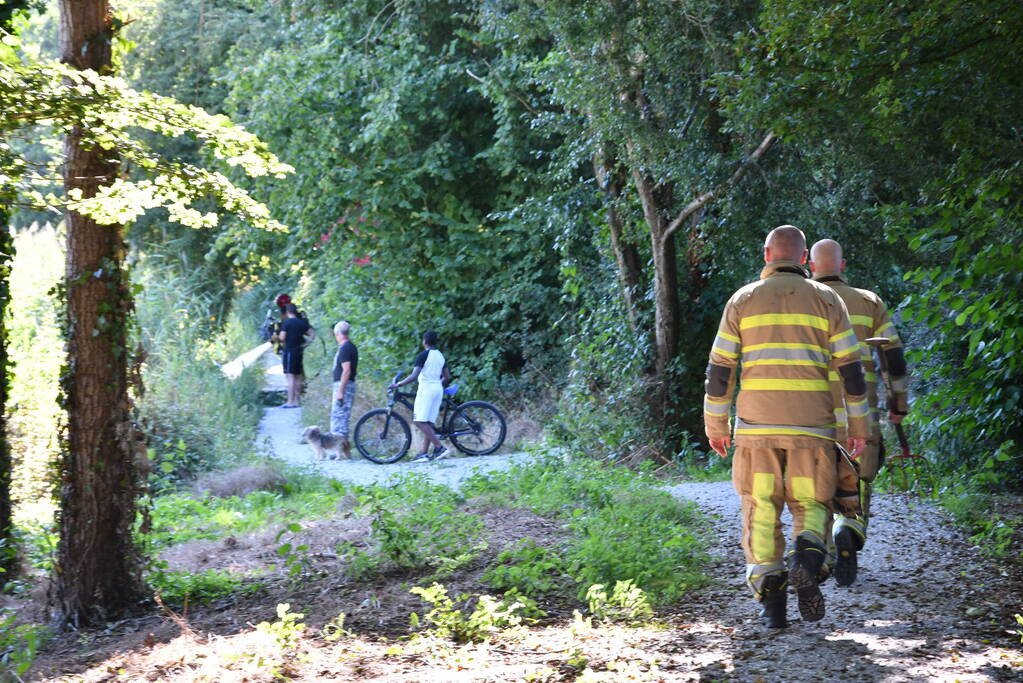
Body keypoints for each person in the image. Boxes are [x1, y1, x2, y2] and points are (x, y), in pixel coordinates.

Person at [703, 225, 868, 629]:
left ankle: (772, 606)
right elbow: (852, 371)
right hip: (812, 428)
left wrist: (715, 424)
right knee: (811, 504)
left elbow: (720, 371)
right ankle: (806, 558)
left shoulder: (742, 299)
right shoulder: (827, 298)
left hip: (756, 430)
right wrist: (858, 425)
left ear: (766, 254)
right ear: (803, 257)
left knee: (760, 509)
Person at [809, 238, 910, 586]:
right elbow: (892, 357)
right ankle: (849, 526)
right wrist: (899, 404)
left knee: (816, 485)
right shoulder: (869, 302)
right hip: (859, 414)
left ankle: (819, 555)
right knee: (859, 479)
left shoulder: (803, 300)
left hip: (814, 415)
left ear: (810, 267)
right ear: (843, 265)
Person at [389, 330, 452, 462]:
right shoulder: (440, 356)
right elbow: (447, 377)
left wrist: (398, 385)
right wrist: (438, 385)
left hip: (427, 389)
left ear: (424, 342)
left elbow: (414, 376)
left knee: (418, 421)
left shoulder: (423, 355)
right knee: (428, 422)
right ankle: (423, 453)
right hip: (437, 388)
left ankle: (439, 447)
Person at [330, 320, 358, 457]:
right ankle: (344, 451)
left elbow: (346, 371)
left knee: (339, 419)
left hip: (344, 386)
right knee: (341, 418)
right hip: (344, 385)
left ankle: (339, 451)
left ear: (337, 334)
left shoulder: (346, 348)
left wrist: (340, 390)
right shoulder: (348, 347)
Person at [278, 303, 314, 408]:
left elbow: (282, 338)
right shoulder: (301, 323)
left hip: (289, 351)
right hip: (299, 351)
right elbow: (312, 334)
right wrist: (306, 344)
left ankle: (290, 402)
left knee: (290, 376)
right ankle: (297, 401)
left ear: (287, 312)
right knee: (298, 376)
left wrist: (277, 337)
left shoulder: (286, 323)